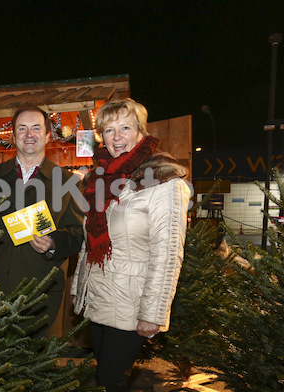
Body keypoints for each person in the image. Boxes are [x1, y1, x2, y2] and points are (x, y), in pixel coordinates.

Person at [70, 98, 191, 392]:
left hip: (132, 302)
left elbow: (167, 252)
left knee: (113, 379)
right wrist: (78, 290)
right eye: (109, 131)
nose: (117, 137)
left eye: (125, 127)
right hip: (99, 298)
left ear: (140, 131)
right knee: (106, 378)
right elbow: (90, 243)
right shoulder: (99, 178)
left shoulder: (164, 180)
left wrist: (153, 313)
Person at [0, 105, 85, 337]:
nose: (30, 135)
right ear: (13, 135)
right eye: (22, 128)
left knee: (35, 362)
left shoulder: (69, 182)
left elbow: (77, 233)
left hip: (42, 292)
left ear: (48, 135)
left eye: (36, 128)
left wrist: (53, 242)